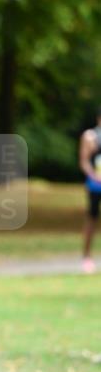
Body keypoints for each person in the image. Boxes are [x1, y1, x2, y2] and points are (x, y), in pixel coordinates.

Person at [79, 106, 101, 273]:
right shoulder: (90, 136)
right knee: (91, 218)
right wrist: (94, 176)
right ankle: (86, 257)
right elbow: (84, 161)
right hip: (95, 184)